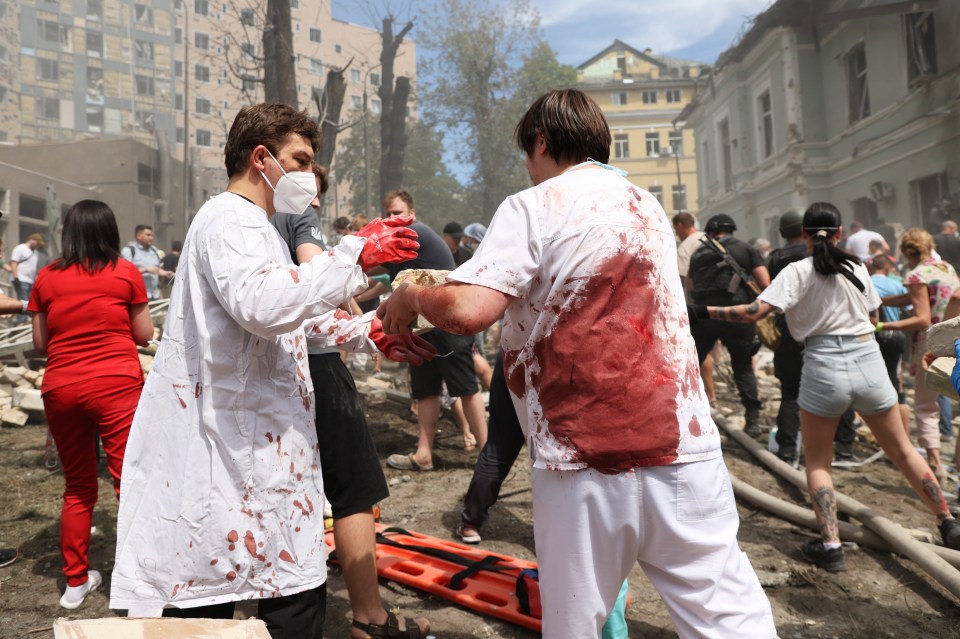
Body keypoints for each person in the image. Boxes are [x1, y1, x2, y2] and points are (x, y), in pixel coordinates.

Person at [379, 88, 776, 637]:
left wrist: (411, 297)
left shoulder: (536, 204)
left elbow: (469, 309)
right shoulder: (647, 205)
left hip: (583, 455)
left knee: (576, 623)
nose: (528, 167)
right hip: (683, 447)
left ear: (541, 141)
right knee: (726, 617)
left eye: (527, 153)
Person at [110, 103, 422, 635]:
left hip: (268, 462)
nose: (310, 181)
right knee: (210, 613)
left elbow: (288, 322)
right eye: (300, 161)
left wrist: (367, 332)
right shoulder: (228, 219)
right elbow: (262, 302)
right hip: (227, 457)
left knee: (290, 598)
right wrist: (354, 254)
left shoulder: (260, 229)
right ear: (262, 157)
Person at [688, 202, 960, 573]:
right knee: (904, 451)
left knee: (818, 462)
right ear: (840, 232)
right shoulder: (858, 267)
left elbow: (753, 313)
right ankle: (948, 522)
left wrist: (703, 312)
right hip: (869, 362)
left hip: (822, 365)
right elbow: (874, 316)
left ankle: (831, 546)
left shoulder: (796, 271)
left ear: (803, 235)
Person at [270, 165, 432, 638]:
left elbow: (293, 304)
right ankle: (370, 618)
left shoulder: (242, 225)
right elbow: (315, 293)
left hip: (272, 377)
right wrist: (356, 260)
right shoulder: (297, 216)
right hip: (316, 369)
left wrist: (364, 329)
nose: (316, 202)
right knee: (354, 491)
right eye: (311, 189)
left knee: (284, 493)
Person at [28, 200, 155, 609]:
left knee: (78, 488)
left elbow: (40, 343)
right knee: (127, 482)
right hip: (116, 384)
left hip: (62, 388)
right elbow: (144, 333)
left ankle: (75, 584)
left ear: (68, 233)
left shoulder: (46, 277)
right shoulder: (126, 272)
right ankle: (141, 580)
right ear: (110, 232)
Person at [360, 189, 487, 472]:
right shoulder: (397, 240)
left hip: (446, 322)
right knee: (426, 390)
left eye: (398, 212)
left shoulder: (413, 233)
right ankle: (424, 454)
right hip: (421, 327)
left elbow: (369, 264)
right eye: (389, 213)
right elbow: (384, 277)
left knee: (466, 387)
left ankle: (486, 454)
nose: (393, 218)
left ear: (411, 213)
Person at [767, 211, 858, 465]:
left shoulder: (775, 258)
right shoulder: (826, 255)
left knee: (790, 392)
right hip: (827, 332)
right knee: (842, 389)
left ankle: (787, 451)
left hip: (790, 332)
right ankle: (845, 449)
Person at [876, 228, 959, 487]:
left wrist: (880, 326)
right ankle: (952, 464)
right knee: (949, 395)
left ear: (905, 251)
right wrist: (880, 300)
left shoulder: (916, 274)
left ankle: (935, 465)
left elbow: (921, 316)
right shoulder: (945, 268)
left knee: (925, 406)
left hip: (930, 341)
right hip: (954, 338)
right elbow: (916, 297)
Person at [687, 214, 770, 436]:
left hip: (704, 317)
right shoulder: (745, 249)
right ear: (731, 229)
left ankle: (689, 415)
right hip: (737, 316)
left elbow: (691, 288)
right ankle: (752, 420)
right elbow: (765, 283)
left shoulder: (698, 253)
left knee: (691, 367)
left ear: (710, 232)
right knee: (743, 367)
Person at [868, 255, 911, 437]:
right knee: (895, 384)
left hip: (870, 338)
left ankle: (877, 432)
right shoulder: (896, 285)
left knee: (872, 383)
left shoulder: (865, 282)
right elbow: (909, 311)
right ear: (887, 269)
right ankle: (903, 436)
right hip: (894, 336)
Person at [121, 224, 172, 301]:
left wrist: (165, 273)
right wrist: (146, 270)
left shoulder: (154, 250)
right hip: (137, 297)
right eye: (148, 235)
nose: (151, 238)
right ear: (139, 236)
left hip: (155, 296)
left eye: (152, 235)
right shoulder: (129, 251)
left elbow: (156, 269)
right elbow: (125, 273)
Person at [10, 233, 46, 304]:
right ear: (32, 240)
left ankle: (24, 315)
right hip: (21, 279)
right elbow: (13, 262)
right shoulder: (20, 248)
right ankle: (22, 315)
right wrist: (16, 277)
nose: (38, 246)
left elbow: (33, 266)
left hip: (31, 281)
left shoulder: (35, 252)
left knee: (30, 302)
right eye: (37, 244)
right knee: (24, 302)